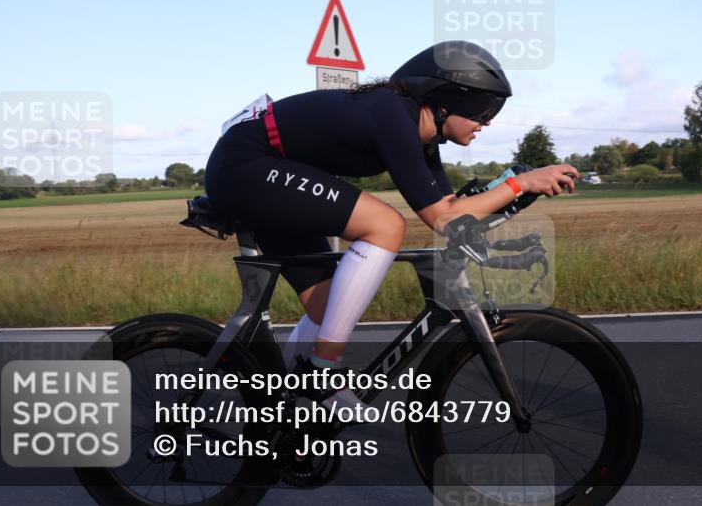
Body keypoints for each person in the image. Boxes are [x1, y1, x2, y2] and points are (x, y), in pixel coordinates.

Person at [203, 41, 579, 413]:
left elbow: (453, 212)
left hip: (266, 175)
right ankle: (322, 371)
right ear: (445, 101)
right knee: (385, 225)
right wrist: (520, 185)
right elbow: (442, 220)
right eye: (483, 110)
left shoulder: (422, 135)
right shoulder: (392, 114)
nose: (489, 121)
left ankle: (284, 413)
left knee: (327, 305)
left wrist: (509, 189)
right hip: (246, 167)